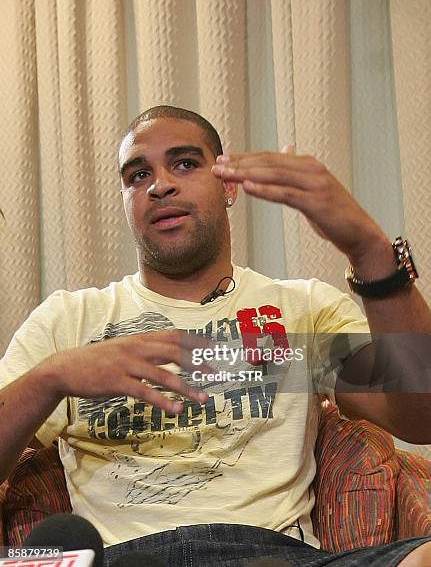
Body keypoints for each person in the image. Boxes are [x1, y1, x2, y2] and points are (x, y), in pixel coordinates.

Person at [1, 105, 431, 566]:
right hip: (124, 560)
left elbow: (418, 417)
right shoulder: (70, 319)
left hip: (271, 556)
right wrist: (50, 379)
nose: (159, 185)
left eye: (185, 163)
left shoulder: (300, 308)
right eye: (137, 175)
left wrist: (369, 250)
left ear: (228, 186)